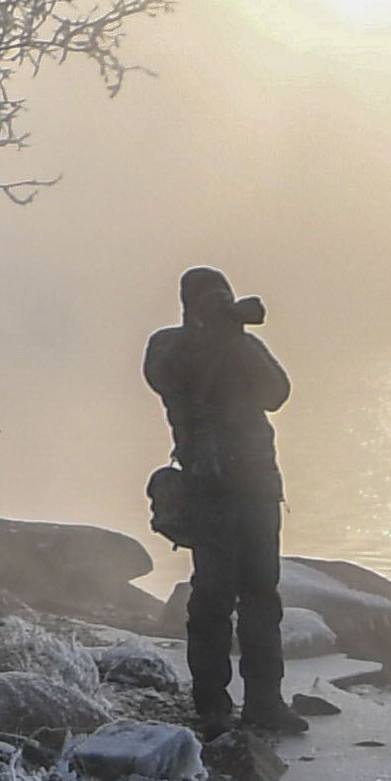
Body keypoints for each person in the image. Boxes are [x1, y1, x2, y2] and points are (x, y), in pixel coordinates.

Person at [144, 267, 295, 733]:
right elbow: (164, 375)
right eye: (211, 301)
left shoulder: (241, 346)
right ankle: (211, 701)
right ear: (189, 307)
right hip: (208, 489)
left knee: (261, 596)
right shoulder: (170, 347)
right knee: (212, 598)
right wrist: (210, 336)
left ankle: (264, 701)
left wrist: (235, 337)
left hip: (257, 487)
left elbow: (278, 393)